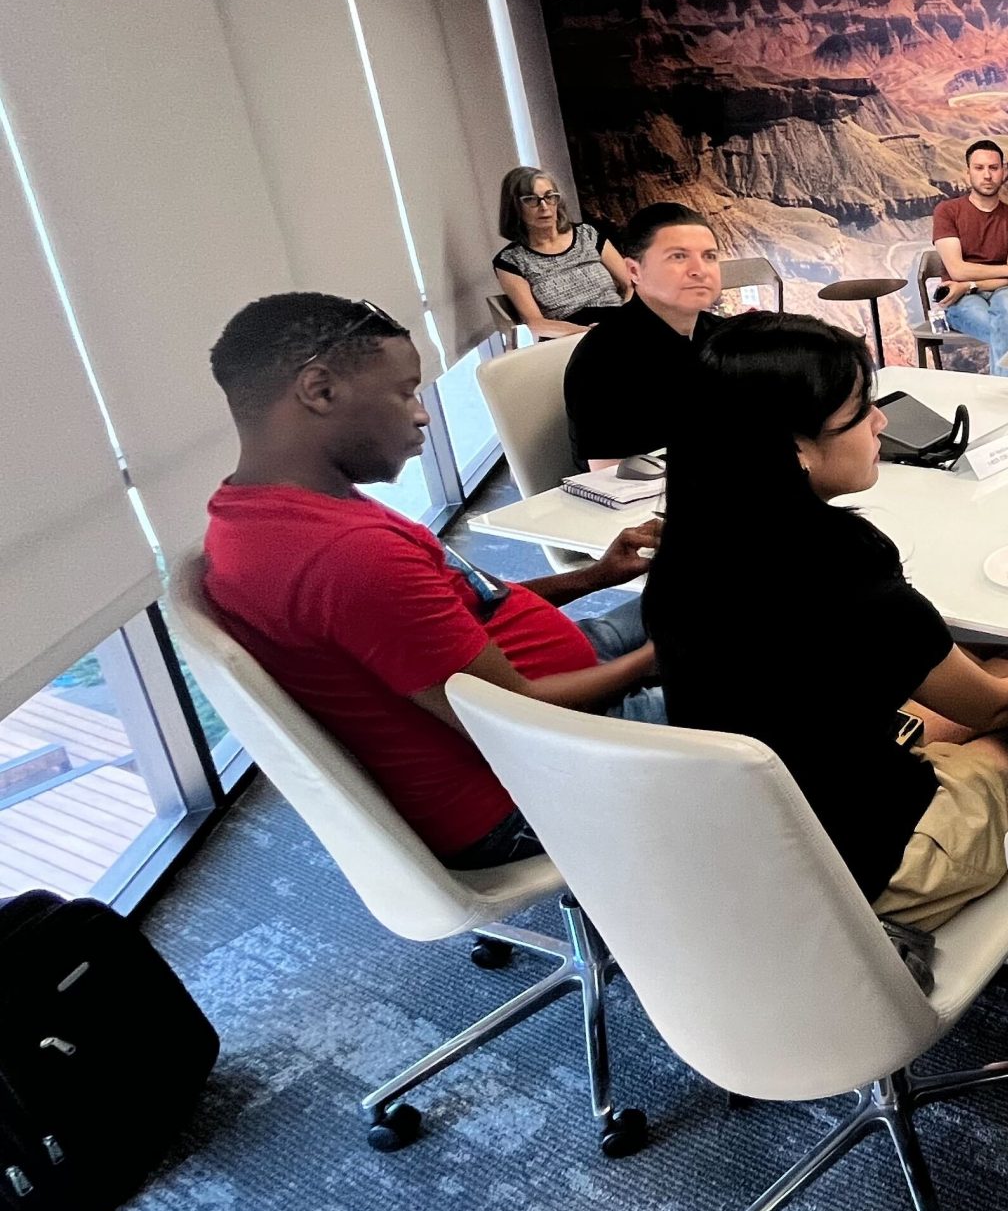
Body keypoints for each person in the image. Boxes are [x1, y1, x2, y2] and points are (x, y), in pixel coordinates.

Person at [645, 314, 1008, 926]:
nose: (882, 421)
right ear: (793, 446)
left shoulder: (686, 546)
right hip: (869, 864)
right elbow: (991, 708)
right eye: (860, 408)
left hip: (757, 830)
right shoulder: (838, 560)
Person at [200, 293, 664, 870]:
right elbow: (514, 718)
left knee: (725, 596)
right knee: (790, 685)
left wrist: (597, 576)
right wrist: (656, 657)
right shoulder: (346, 557)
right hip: (534, 778)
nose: (422, 414)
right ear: (320, 391)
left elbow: (468, 604)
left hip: (545, 689)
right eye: (404, 392)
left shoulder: (274, 509)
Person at [562, 203, 725, 469]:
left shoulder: (726, 336)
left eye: (709, 256)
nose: (699, 269)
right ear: (634, 271)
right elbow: (608, 477)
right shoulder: (602, 357)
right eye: (678, 257)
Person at [930, 139, 1008, 370]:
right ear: (968, 173)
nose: (987, 175)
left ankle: (1002, 398)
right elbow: (957, 269)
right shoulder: (947, 212)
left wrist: (967, 284)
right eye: (979, 168)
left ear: (1003, 172)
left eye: (993, 168)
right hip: (960, 300)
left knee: (1007, 310)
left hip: (997, 292)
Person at [492, 166, 630, 336]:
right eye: (531, 200)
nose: (544, 206)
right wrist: (589, 333)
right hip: (571, 337)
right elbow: (536, 324)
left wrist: (627, 317)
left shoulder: (587, 234)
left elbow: (631, 284)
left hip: (619, 322)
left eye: (550, 197)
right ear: (514, 207)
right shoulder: (510, 261)